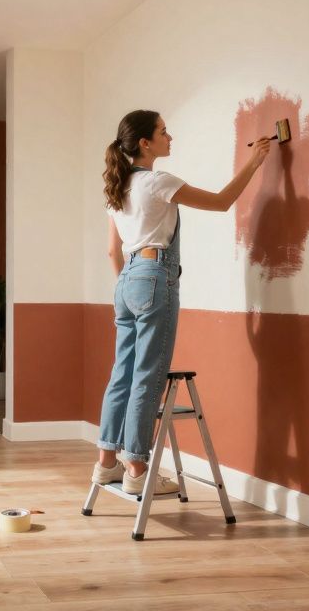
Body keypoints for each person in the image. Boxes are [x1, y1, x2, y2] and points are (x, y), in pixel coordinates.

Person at [95, 109, 272, 494]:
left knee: (122, 373)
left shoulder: (117, 188)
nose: (169, 137)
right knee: (147, 375)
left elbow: (112, 251)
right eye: (163, 132)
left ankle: (106, 463)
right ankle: (136, 470)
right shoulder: (158, 182)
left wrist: (129, 286)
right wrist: (255, 162)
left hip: (126, 280)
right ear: (145, 143)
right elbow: (222, 202)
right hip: (153, 274)